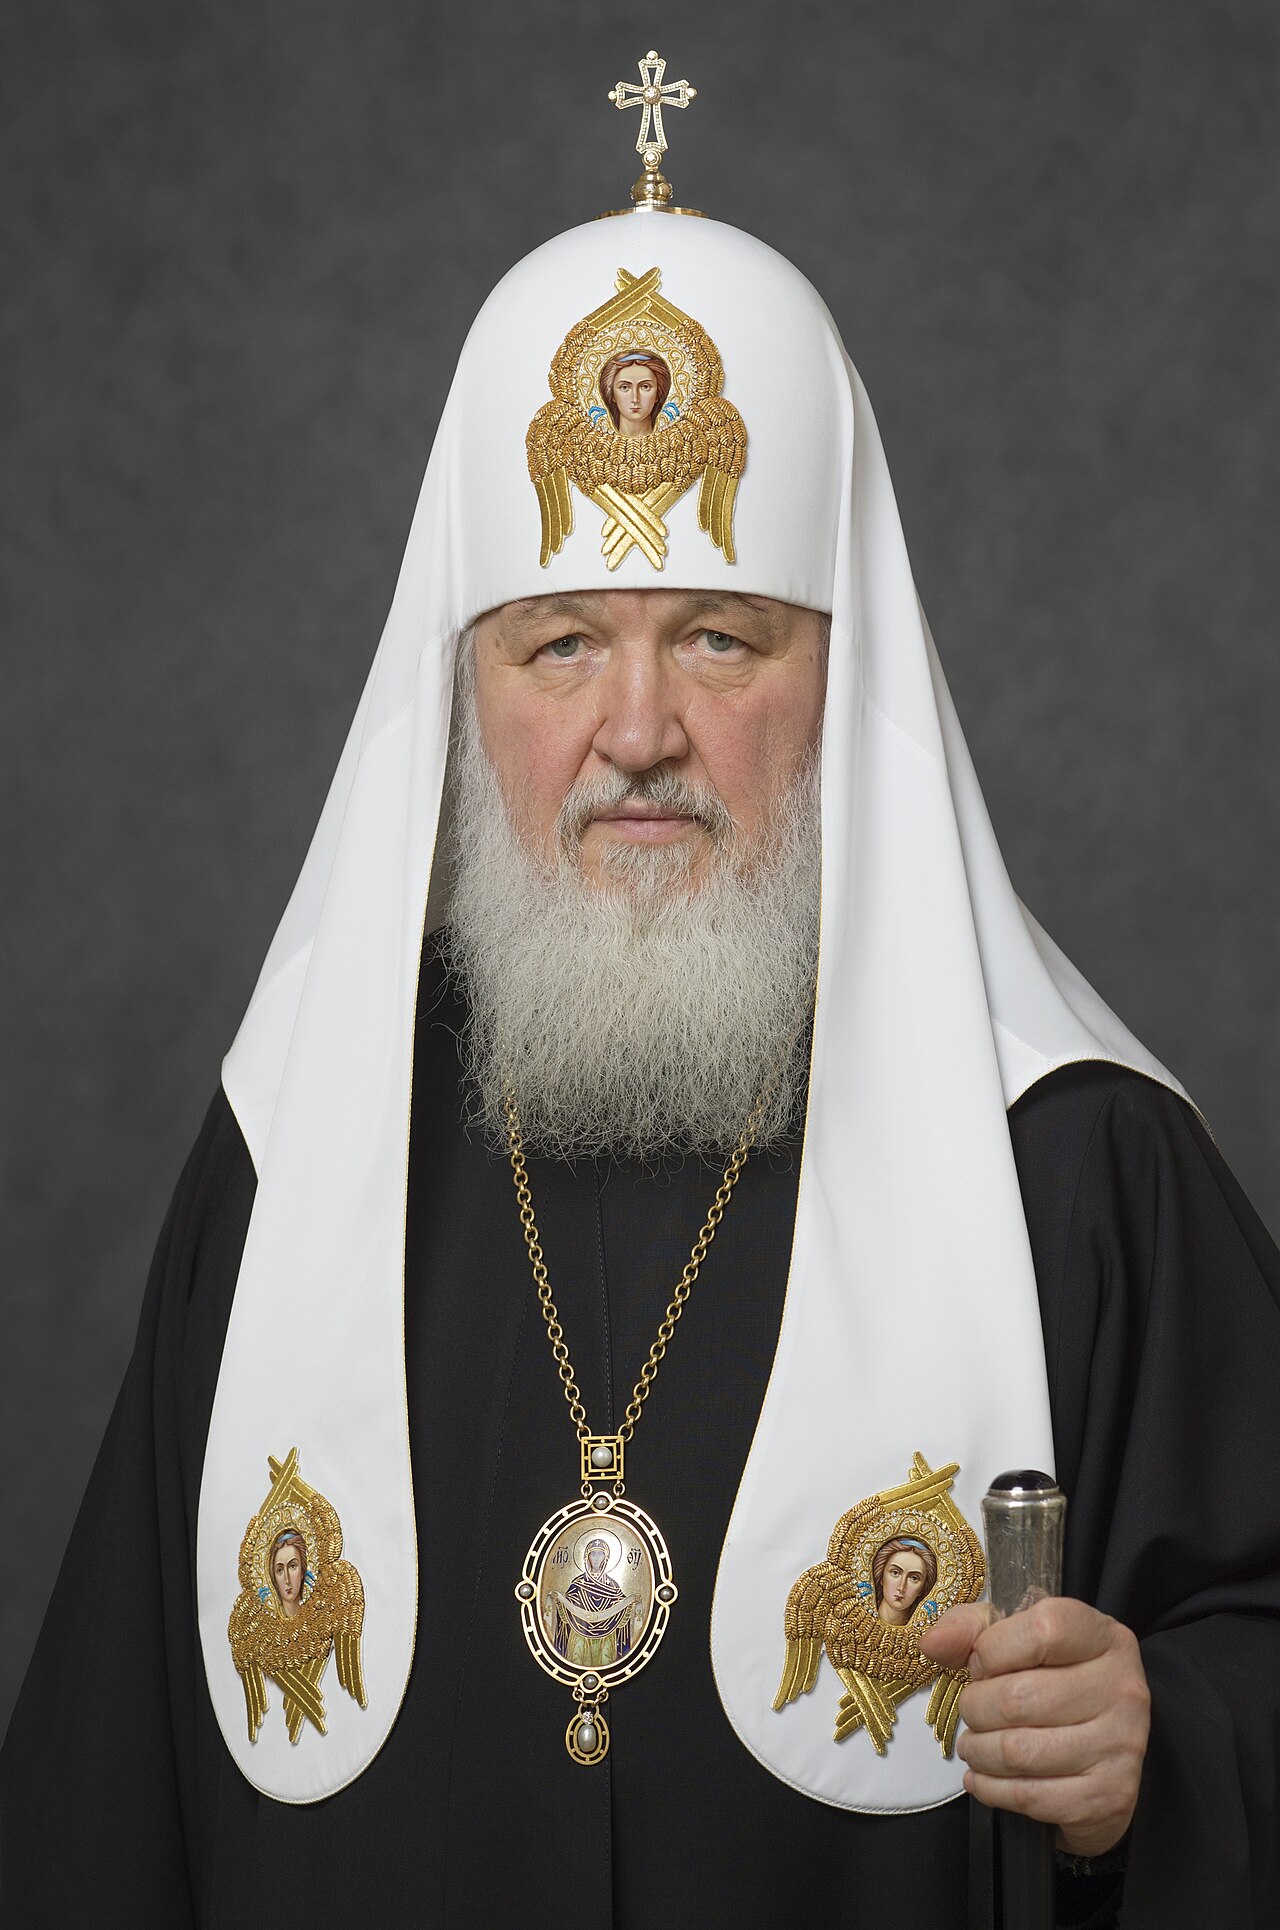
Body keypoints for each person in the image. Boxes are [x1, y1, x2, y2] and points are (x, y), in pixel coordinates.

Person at [4, 68, 1279, 1930]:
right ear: (462, 699)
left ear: (844, 678)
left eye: (720, 637)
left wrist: (1165, 1747)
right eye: (559, 645)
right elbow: (99, 1815)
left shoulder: (1079, 1161)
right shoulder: (291, 1167)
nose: (636, 732)